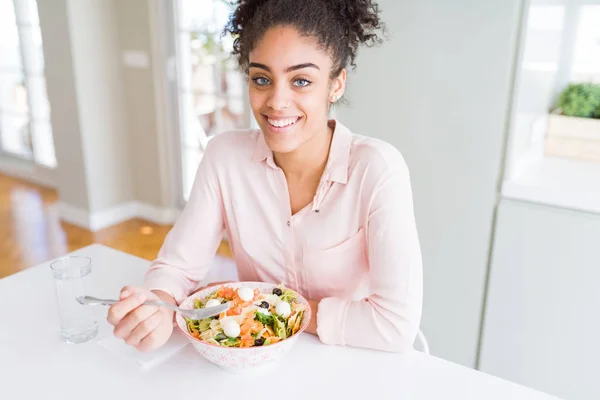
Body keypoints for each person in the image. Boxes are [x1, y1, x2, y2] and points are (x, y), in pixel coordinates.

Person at [107, 0, 423, 354]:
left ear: (336, 85)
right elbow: (177, 269)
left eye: (301, 81)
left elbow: (396, 324)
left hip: (352, 360)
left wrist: (266, 305)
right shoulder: (224, 157)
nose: (276, 101)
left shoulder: (378, 170)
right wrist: (159, 305)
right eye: (261, 79)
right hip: (256, 365)